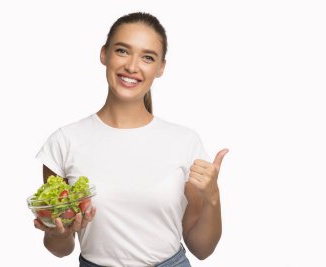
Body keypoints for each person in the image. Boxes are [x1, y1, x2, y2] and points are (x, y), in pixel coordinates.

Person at [33, 12, 228, 267]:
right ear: (104, 54)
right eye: (123, 51)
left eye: (147, 57)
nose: (132, 66)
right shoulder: (63, 142)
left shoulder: (185, 141)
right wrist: (59, 231)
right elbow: (59, 249)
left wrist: (213, 197)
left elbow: (202, 249)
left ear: (160, 68)